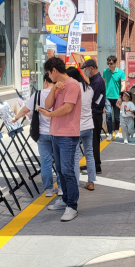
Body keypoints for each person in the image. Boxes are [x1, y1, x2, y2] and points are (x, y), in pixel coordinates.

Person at [41, 57, 82, 221]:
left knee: (67, 170)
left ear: (54, 70)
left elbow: (67, 107)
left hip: (68, 134)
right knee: (60, 170)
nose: (48, 77)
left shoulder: (72, 84)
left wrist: (50, 115)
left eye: (48, 73)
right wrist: (52, 90)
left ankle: (72, 206)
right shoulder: (57, 86)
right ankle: (65, 200)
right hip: (56, 133)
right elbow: (48, 104)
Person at [11, 74, 61, 197]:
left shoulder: (38, 94)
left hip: (42, 133)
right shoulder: (59, 93)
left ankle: (49, 189)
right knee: (59, 161)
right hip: (57, 132)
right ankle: (61, 188)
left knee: (45, 161)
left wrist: (16, 118)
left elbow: (25, 110)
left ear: (45, 81)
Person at [66, 67, 97, 191]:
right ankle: (91, 181)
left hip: (77, 127)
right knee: (89, 153)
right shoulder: (89, 88)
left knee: (74, 156)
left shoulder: (72, 88)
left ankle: (75, 182)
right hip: (89, 125)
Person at [80, 59, 105, 174]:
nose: (85, 72)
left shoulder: (97, 81)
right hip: (95, 113)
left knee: (94, 141)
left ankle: (96, 165)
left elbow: (92, 98)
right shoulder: (95, 80)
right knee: (92, 141)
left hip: (95, 114)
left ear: (92, 68)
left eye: (86, 69)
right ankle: (94, 163)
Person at [103, 55, 126, 140]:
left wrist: (120, 96)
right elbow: (103, 83)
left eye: (111, 63)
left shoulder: (120, 72)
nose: (109, 65)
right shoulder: (105, 71)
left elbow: (123, 86)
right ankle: (109, 133)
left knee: (116, 116)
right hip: (107, 97)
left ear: (115, 63)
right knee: (108, 114)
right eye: (108, 63)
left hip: (117, 97)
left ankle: (116, 130)